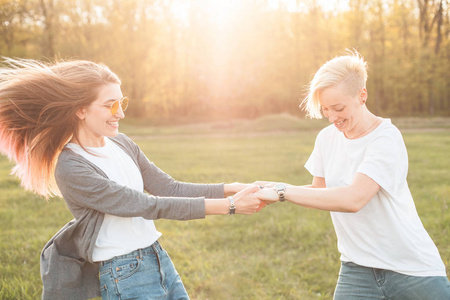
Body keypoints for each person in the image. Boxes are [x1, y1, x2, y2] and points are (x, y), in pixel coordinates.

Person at [0, 58, 264, 300]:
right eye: (109, 105)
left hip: (157, 256)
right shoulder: (71, 167)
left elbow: (169, 188)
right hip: (123, 272)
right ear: (80, 110)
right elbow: (147, 205)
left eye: (121, 103)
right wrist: (230, 207)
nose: (120, 113)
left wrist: (231, 189)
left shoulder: (122, 143)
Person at [255, 51, 450, 299]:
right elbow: (318, 192)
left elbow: (354, 199)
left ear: (362, 95)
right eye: (325, 109)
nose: (332, 117)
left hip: (410, 268)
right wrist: (274, 188)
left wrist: (282, 192)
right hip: (356, 269)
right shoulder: (326, 138)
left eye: (338, 108)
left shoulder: (385, 138)